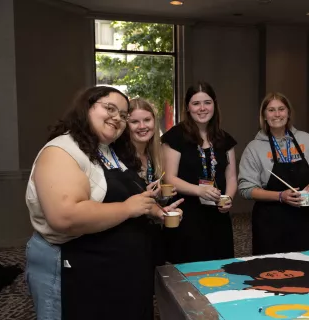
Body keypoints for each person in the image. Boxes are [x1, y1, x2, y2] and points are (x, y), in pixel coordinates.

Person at [25, 86, 183, 320]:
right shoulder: (62, 150)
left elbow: (125, 198)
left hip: (114, 276)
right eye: (110, 108)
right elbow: (65, 216)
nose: (117, 118)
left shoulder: (108, 152)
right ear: (86, 107)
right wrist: (128, 209)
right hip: (75, 271)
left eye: (122, 114)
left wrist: (154, 211)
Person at [238, 92, 309, 256]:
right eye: (271, 110)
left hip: (306, 219)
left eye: (281, 109)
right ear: (264, 116)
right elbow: (246, 189)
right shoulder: (254, 148)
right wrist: (280, 196)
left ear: (288, 113)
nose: (277, 114)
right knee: (272, 271)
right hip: (270, 222)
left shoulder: (306, 140)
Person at [161, 81, 237, 264]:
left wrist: (229, 199)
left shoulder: (224, 138)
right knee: (189, 273)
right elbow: (169, 177)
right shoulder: (175, 137)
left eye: (207, 102)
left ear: (214, 105)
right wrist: (199, 190)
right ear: (188, 107)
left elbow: (232, 176)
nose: (202, 108)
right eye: (196, 103)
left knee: (221, 270)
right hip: (187, 216)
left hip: (218, 217)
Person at [114, 97, 177, 267]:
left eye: (147, 120)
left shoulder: (153, 154)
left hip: (151, 232)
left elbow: (152, 199)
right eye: (135, 121)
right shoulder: (117, 157)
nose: (142, 126)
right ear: (126, 125)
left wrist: (162, 200)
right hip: (127, 235)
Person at [183, 257, 309, 295]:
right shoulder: (241, 270)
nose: (278, 273)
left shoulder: (260, 287)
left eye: (284, 276)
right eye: (283, 270)